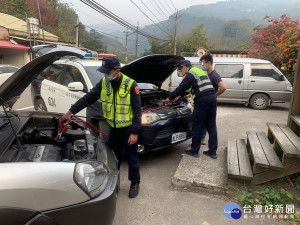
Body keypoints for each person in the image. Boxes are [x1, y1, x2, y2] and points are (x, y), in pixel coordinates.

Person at [59, 56, 142, 198]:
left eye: (108, 72)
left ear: (117, 70)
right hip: (113, 128)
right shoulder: (104, 83)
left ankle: (135, 182)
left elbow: (137, 110)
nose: (106, 75)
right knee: (113, 157)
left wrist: (134, 133)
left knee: (131, 156)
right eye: (104, 72)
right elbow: (88, 98)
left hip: (128, 129)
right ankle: (114, 182)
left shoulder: (130, 84)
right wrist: (70, 112)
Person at [165, 59, 218, 159]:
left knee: (197, 125)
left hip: (202, 101)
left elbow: (181, 87)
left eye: (181, 69)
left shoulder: (189, 74)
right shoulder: (199, 71)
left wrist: (170, 97)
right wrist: (185, 95)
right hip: (212, 98)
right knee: (211, 126)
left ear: (185, 66)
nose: (181, 71)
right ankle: (212, 152)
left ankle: (194, 151)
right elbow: (198, 86)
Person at [200, 54, 227, 145]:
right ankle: (202, 139)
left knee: (210, 123)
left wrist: (214, 96)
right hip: (206, 101)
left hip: (210, 102)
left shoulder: (214, 75)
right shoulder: (206, 74)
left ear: (209, 63)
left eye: (203, 63)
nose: (202, 65)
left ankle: (212, 147)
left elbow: (223, 87)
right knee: (204, 120)